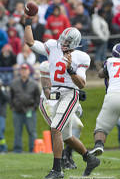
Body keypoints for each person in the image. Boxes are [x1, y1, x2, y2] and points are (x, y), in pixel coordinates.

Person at [24, 12, 100, 177]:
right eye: (63, 39)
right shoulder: (52, 46)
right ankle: (90, 158)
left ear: (75, 43)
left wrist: (71, 69)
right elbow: (30, 41)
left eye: (67, 42)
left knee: (55, 128)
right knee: (66, 136)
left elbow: (82, 84)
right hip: (56, 93)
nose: (63, 43)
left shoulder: (81, 57)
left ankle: (57, 170)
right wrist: (28, 22)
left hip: (70, 94)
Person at [39, 60, 84, 169]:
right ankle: (62, 159)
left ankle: (68, 155)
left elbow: (70, 86)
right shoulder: (46, 64)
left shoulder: (66, 64)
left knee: (78, 126)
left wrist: (76, 99)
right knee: (58, 130)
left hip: (63, 102)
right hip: (48, 102)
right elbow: (47, 89)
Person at [90, 43, 120, 156]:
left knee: (101, 127)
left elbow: (101, 74)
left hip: (113, 95)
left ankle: (99, 145)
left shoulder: (110, 61)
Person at [10, 63, 40, 153]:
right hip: (17, 111)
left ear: (29, 71)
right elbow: (10, 97)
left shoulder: (34, 84)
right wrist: (13, 107)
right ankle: (17, 150)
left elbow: (37, 98)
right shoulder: (14, 83)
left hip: (30, 111)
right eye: (22, 70)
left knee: (32, 131)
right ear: (20, 71)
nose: (24, 71)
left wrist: (33, 108)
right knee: (17, 132)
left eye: (25, 69)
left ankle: (33, 149)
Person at [0, 79, 9, 153]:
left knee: (0, 132)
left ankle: (4, 148)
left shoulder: (4, 91)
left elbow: (7, 99)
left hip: (1, 115)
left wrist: (1, 90)